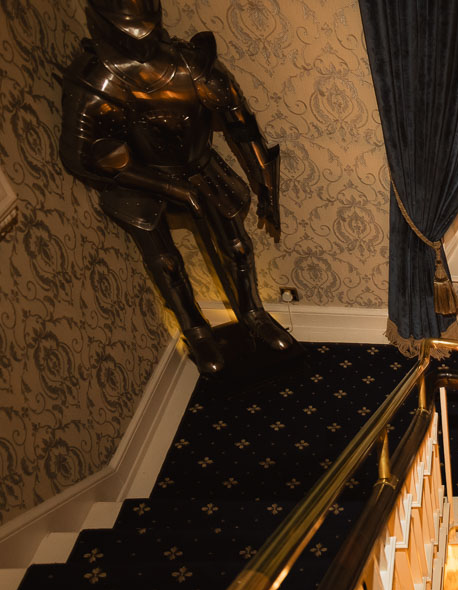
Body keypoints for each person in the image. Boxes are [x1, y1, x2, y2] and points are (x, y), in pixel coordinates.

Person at [60, 0, 295, 375]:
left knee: (238, 247)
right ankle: (196, 331)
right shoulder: (98, 77)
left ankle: (253, 313)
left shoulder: (192, 64)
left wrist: (265, 184)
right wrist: (169, 188)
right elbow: (85, 155)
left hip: (200, 166)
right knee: (167, 263)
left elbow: (241, 124)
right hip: (140, 178)